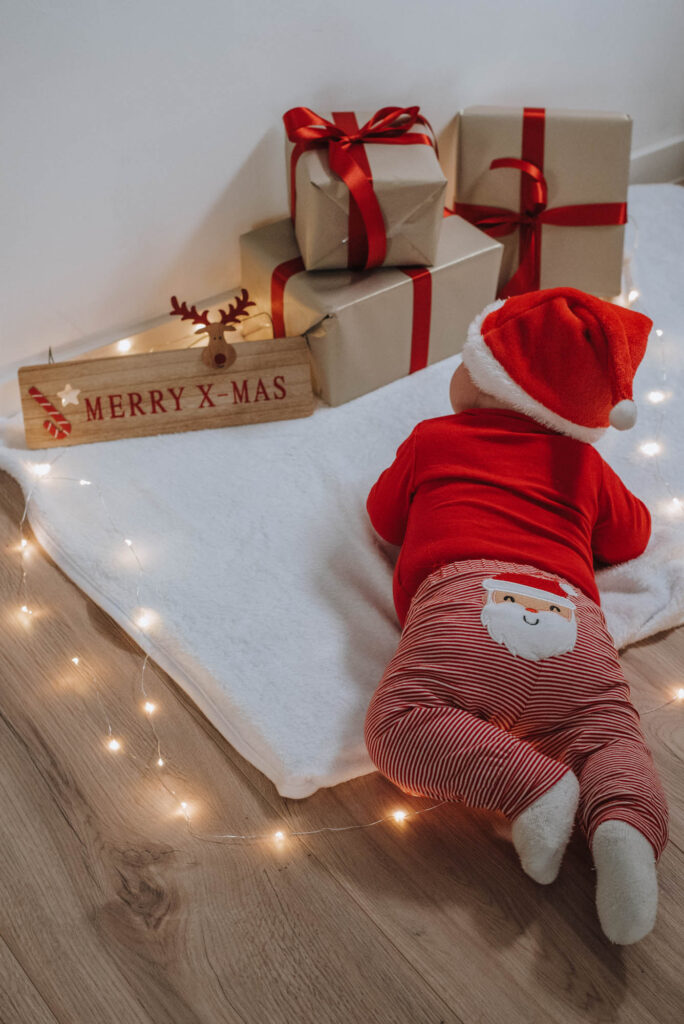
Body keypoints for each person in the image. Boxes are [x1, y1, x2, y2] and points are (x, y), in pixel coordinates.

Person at [363, 287, 668, 945]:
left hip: (463, 602)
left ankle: (531, 787)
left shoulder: (434, 437)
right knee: (609, 734)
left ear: (480, 377)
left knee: (400, 725)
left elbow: (383, 518)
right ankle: (623, 824)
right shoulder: (585, 464)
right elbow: (632, 539)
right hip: (575, 617)